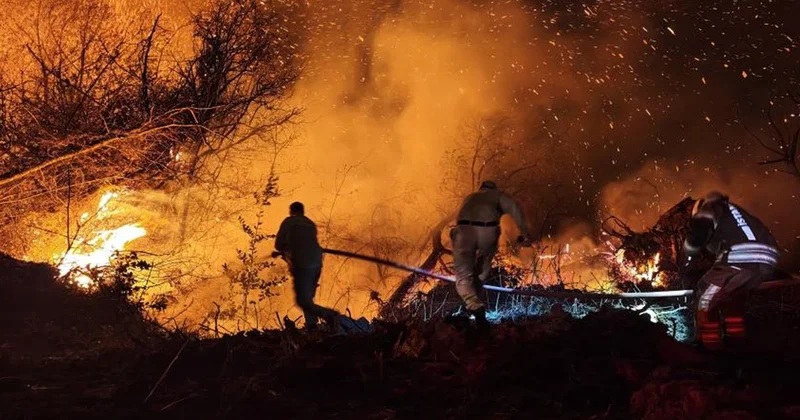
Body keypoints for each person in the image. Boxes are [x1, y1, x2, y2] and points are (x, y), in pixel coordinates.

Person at [684, 191, 779, 350]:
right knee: (731, 297)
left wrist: (689, 251)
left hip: (741, 256)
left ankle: (708, 347)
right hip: (767, 260)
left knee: (705, 295)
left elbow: (699, 232)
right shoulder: (735, 213)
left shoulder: (710, 206)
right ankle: (736, 345)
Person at [451, 180, 531, 330]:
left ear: (481, 189)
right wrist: (524, 234)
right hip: (487, 231)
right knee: (483, 267)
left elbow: (459, 215)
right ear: (494, 188)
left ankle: (474, 305)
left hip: (462, 231)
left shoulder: (470, 197)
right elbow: (514, 208)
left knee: (462, 274)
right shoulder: (497, 195)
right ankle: (478, 281)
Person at [273, 202, 339, 330]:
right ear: (302, 212)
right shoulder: (310, 224)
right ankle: (312, 326)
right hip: (316, 263)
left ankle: (329, 315)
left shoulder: (288, 222)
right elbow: (311, 244)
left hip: (302, 265)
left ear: (291, 212)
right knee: (308, 298)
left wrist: (285, 250)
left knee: (303, 301)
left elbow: (278, 245)